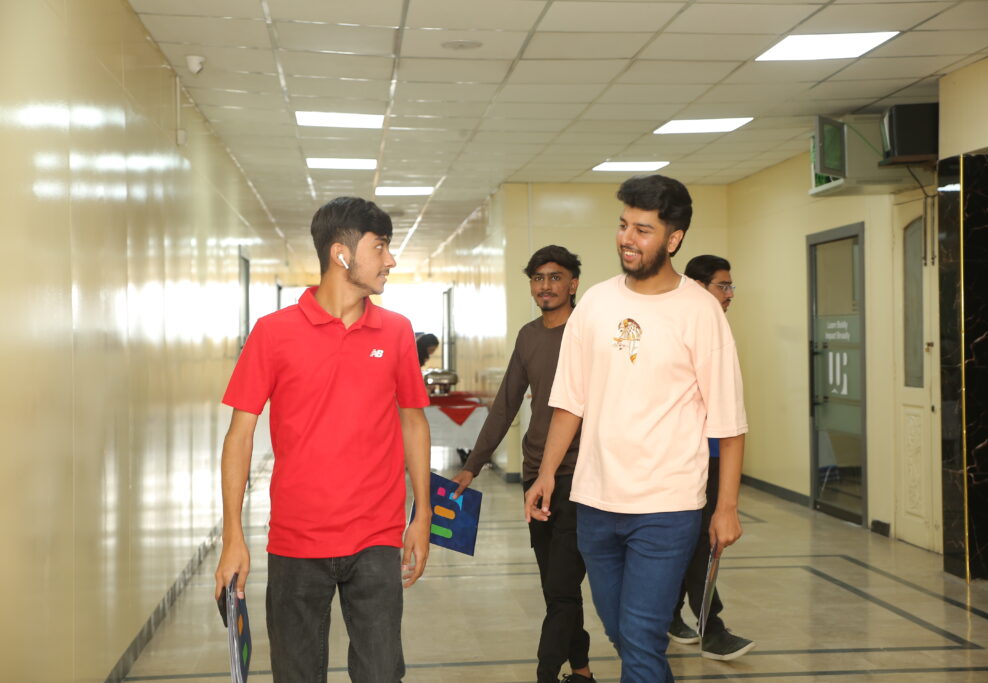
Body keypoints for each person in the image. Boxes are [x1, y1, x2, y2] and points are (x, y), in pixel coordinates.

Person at [524, 175, 748, 683]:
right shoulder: (597, 305)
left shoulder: (700, 311)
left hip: (666, 508)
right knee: (622, 633)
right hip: (595, 503)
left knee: (643, 639)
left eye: (643, 229)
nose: (627, 237)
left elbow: (729, 422)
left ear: (673, 239)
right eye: (624, 225)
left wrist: (727, 507)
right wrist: (545, 475)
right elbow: (568, 403)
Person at [214, 196, 432, 683]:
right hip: (295, 543)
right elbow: (239, 435)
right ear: (342, 254)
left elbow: (414, 422)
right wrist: (233, 536)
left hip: (377, 537)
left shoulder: (396, 332)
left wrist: (424, 514)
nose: (390, 260)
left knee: (381, 674)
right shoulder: (273, 334)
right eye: (380, 248)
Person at [452, 245, 595, 683]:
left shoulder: (590, 332)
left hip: (582, 477)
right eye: (538, 278)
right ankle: (583, 671)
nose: (546, 286)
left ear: (573, 283)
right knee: (557, 587)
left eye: (555, 277)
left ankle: (546, 675)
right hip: (536, 477)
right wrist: (472, 465)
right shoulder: (529, 336)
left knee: (561, 588)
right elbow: (506, 405)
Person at [666, 255, 754, 660]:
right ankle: (711, 629)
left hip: (718, 458)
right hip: (686, 461)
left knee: (700, 544)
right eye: (723, 286)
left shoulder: (721, 330)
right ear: (700, 289)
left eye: (731, 286)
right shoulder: (683, 330)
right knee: (698, 545)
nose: (730, 295)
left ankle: (671, 615)